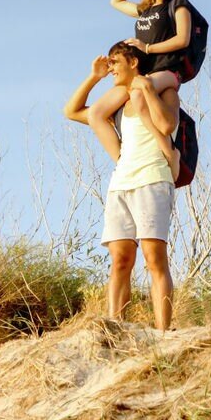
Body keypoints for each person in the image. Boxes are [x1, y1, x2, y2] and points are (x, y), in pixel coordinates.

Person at [63, 42, 179, 330]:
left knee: (154, 260)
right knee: (120, 261)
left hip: (152, 179)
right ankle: (116, 329)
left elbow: (166, 126)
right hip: (121, 184)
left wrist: (148, 91)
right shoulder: (117, 106)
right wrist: (94, 77)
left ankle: (163, 333)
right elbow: (72, 111)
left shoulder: (165, 92)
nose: (111, 67)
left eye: (115, 62)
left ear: (134, 63)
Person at [87, 0, 191, 170]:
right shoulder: (145, 10)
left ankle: (168, 152)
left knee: (138, 92)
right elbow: (115, 1)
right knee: (96, 113)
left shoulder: (178, 4)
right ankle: (122, 162)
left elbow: (183, 39)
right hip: (144, 75)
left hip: (167, 71)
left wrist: (147, 48)